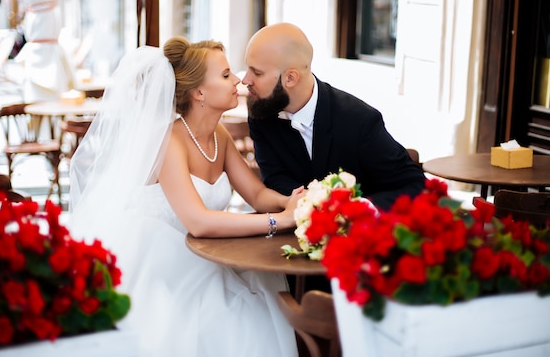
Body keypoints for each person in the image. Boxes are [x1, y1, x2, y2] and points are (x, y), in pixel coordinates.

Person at [69, 37, 303, 357]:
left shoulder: (219, 134)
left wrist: (293, 201)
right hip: (159, 259)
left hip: (204, 250)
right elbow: (198, 221)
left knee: (263, 291)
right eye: (224, 75)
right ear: (199, 92)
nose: (237, 79)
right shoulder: (169, 140)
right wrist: (281, 220)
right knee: (232, 317)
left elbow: (257, 192)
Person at [244, 22, 426, 212]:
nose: (245, 80)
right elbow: (275, 179)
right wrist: (311, 205)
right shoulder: (262, 113)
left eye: (256, 72)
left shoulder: (359, 120)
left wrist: (356, 208)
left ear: (290, 78)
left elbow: (415, 186)